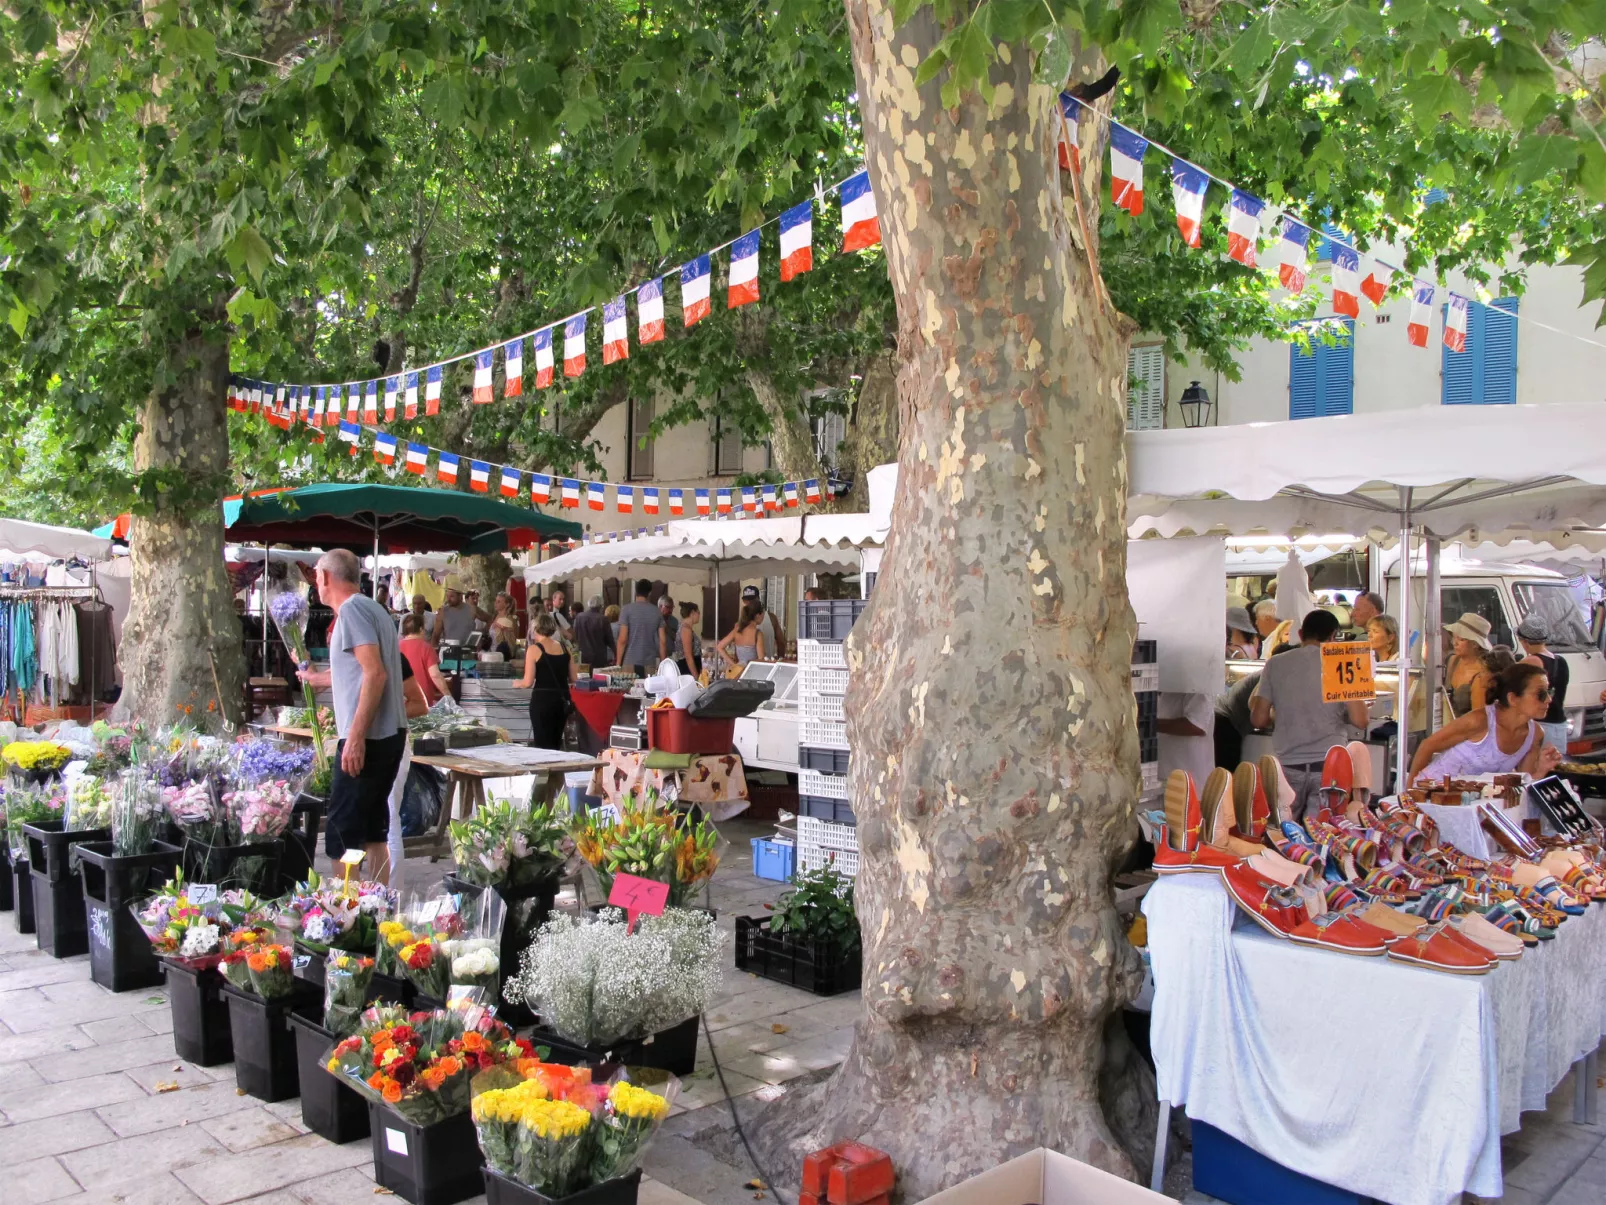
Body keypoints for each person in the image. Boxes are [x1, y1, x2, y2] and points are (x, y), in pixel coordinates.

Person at [297, 549, 408, 878]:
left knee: (341, 835)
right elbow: (362, 670)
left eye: (316, 574)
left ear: (328, 577)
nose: (315, 581)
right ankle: (376, 909)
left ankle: (347, 916)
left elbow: (375, 674)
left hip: (369, 737)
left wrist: (355, 738)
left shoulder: (351, 612)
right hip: (389, 734)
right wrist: (318, 678)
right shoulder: (373, 608)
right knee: (373, 830)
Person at [1250, 609, 1369, 820]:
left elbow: (1258, 719)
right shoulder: (1342, 661)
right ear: (1333, 636)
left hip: (1288, 765)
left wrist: (1283, 716)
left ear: (1301, 633)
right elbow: (1361, 721)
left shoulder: (1275, 663)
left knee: (1286, 837)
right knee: (1321, 836)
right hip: (1329, 767)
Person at [1410, 662, 1562, 784]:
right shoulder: (1479, 721)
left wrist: (1542, 769)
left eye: (1550, 692)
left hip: (1471, 806)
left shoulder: (1535, 734)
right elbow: (1427, 746)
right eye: (1541, 694)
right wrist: (1408, 795)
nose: (1549, 699)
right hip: (1430, 794)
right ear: (1513, 699)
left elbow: (1522, 786)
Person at [516, 611, 575, 749]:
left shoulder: (534, 650)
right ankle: (557, 770)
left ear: (535, 629)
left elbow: (528, 681)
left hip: (542, 700)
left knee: (542, 744)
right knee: (555, 743)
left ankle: (544, 770)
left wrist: (517, 683)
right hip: (562, 700)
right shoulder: (565, 648)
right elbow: (574, 678)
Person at [1517, 616, 1571, 753]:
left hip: (1539, 725)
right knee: (1556, 769)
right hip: (1560, 726)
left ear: (1524, 642)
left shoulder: (1530, 661)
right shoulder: (1561, 661)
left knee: (1536, 771)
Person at [1158, 692, 1215, 793]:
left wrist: (1151, 724)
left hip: (1193, 781)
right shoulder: (1168, 690)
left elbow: (1196, 725)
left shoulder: (1199, 690)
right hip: (1169, 775)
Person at [1443, 612, 1494, 717]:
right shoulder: (1453, 661)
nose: (1454, 643)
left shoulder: (1482, 675)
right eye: (1454, 637)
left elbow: (1479, 719)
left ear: (1475, 644)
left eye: (1461, 639)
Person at [616, 579, 666, 675]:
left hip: (630, 662)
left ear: (636, 591)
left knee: (628, 689)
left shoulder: (626, 610)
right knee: (648, 689)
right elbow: (662, 642)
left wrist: (618, 663)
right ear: (650, 593)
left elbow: (622, 639)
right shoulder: (657, 612)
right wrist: (663, 665)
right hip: (649, 663)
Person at [398, 614, 451, 706]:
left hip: (399, 699)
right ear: (421, 629)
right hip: (422, 700)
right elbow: (435, 675)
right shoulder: (426, 647)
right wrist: (448, 696)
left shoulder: (395, 646)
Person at [433, 577, 491, 647]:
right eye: (447, 596)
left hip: (468, 651)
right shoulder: (443, 612)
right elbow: (436, 635)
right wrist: (434, 651)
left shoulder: (472, 609)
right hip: (449, 651)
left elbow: (490, 619)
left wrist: (482, 634)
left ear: (460, 596)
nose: (448, 599)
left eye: (452, 596)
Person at [717, 600, 768, 669]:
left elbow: (719, 647)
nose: (763, 618)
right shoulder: (758, 634)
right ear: (758, 615)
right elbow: (761, 659)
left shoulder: (737, 630)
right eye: (763, 615)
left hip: (739, 671)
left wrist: (734, 665)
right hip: (752, 672)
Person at [740, 584, 783, 658]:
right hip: (761, 665)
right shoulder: (771, 618)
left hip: (761, 664)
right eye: (747, 600)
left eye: (752, 600)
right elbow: (781, 642)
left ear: (758, 599)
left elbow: (781, 642)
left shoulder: (771, 618)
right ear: (744, 601)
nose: (750, 603)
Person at [572, 595, 613, 668]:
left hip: (582, 656)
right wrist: (616, 654)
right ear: (601, 606)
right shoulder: (603, 619)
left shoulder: (579, 617)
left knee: (583, 677)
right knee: (597, 678)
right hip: (598, 658)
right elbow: (610, 640)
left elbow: (575, 636)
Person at [488, 592, 520, 659]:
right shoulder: (495, 616)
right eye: (496, 601)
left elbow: (514, 637)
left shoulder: (510, 619)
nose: (495, 603)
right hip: (492, 653)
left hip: (503, 655)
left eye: (499, 601)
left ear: (507, 604)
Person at [677, 601, 703, 676]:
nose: (699, 615)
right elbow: (688, 656)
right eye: (698, 612)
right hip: (688, 669)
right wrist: (696, 676)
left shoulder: (685, 627)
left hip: (690, 666)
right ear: (692, 613)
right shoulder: (686, 630)